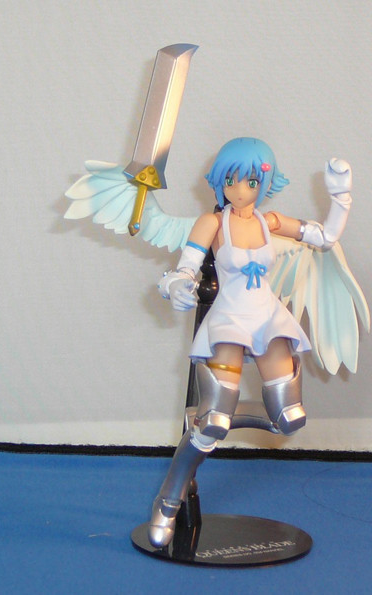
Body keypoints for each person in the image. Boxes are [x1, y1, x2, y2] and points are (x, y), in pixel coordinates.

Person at [150, 137, 353, 547]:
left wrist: (341, 197)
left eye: (250, 182)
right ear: (220, 181)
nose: (240, 191)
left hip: (267, 318)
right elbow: (185, 268)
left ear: (264, 183)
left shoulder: (270, 221)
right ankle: (168, 500)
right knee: (212, 426)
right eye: (231, 181)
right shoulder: (212, 223)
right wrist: (175, 285)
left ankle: (205, 417)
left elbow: (326, 237)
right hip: (229, 320)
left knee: (290, 418)